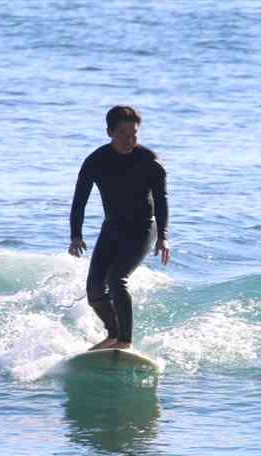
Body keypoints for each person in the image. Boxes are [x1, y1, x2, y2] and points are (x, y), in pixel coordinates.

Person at [68, 105, 171, 351]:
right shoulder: (95, 161)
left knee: (116, 278)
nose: (129, 140)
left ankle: (125, 341)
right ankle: (113, 335)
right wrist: (76, 235)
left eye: (134, 134)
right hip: (112, 227)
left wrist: (163, 237)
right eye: (123, 134)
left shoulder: (150, 162)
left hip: (143, 228)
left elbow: (162, 200)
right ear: (110, 132)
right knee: (94, 290)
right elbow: (79, 201)